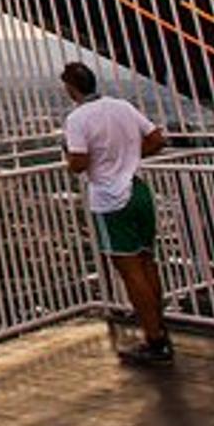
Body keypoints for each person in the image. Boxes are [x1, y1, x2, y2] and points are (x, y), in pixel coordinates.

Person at [60, 61, 172, 366]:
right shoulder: (121, 106)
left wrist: (70, 160)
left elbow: (80, 162)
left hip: (111, 199)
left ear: (70, 89)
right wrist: (131, 156)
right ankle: (159, 330)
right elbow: (157, 139)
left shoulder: (77, 118)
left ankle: (154, 340)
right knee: (148, 264)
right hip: (138, 191)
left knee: (130, 271)